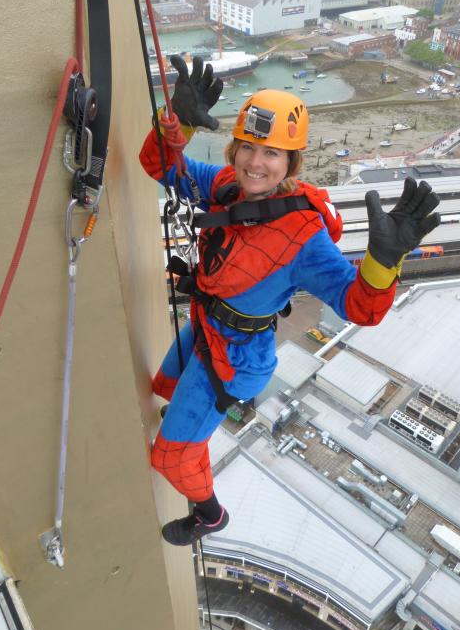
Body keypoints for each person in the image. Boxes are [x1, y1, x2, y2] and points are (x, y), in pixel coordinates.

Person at [139, 55, 441, 546]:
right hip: (207, 326)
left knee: (168, 456)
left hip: (236, 357)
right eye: (249, 148)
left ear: (291, 164)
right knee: (165, 386)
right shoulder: (224, 187)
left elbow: (359, 307)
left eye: (273, 154)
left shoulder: (304, 235)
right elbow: (159, 165)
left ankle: (210, 514)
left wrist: (383, 260)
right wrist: (179, 124)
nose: (256, 163)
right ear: (235, 150)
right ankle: (189, 430)